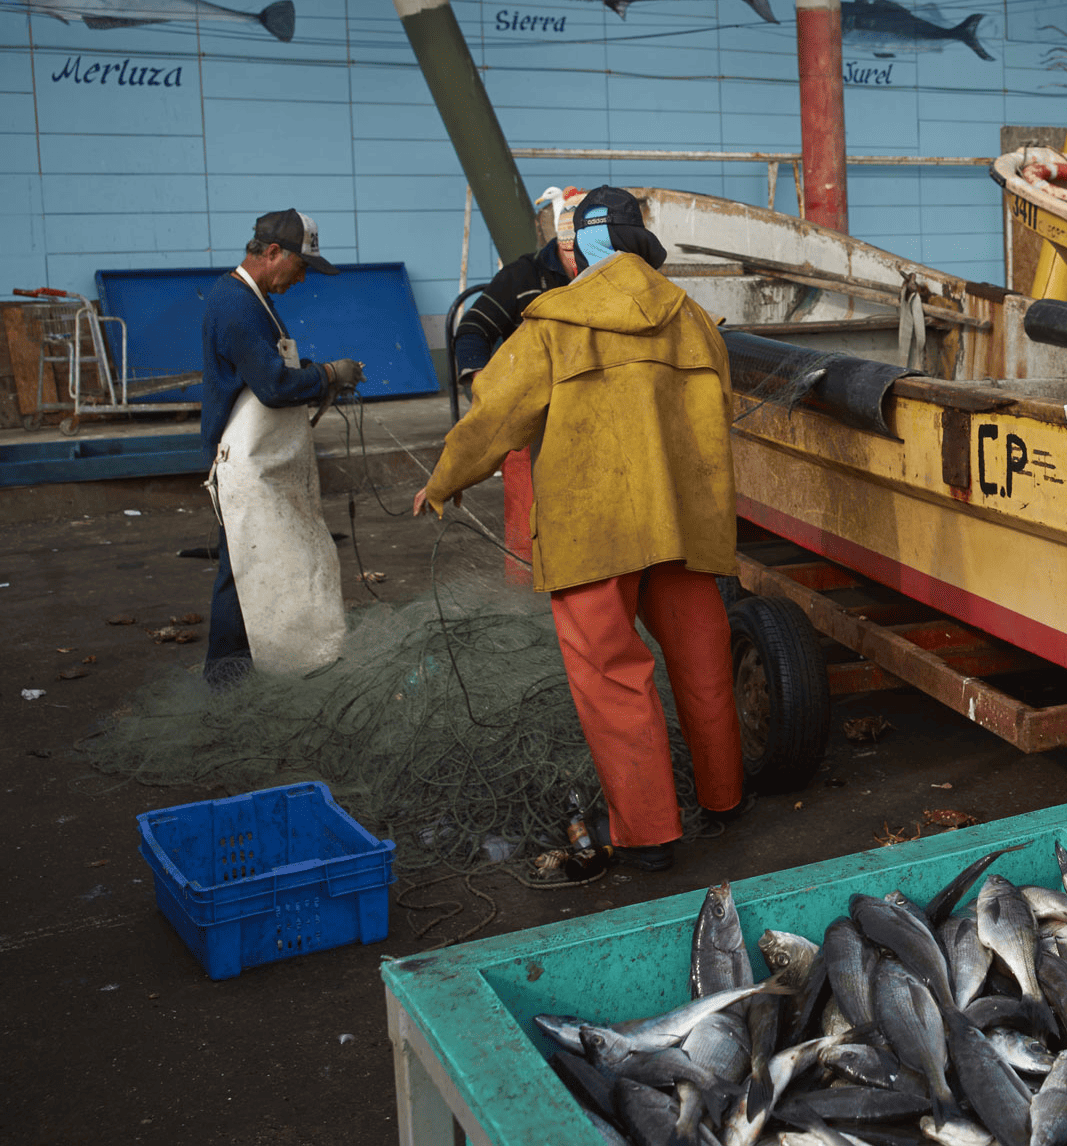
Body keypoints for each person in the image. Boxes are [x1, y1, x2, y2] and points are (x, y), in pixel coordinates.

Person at [413, 187, 743, 872]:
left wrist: (443, 481)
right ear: (642, 246)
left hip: (596, 532)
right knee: (703, 657)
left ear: (584, 248)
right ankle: (724, 800)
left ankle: (652, 837)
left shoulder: (554, 322)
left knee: (614, 677)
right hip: (685, 523)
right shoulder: (697, 320)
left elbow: (495, 420)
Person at [200, 209, 364, 686]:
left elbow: (270, 369)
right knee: (242, 569)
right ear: (273, 253)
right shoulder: (236, 305)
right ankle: (227, 677)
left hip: (265, 462)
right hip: (245, 466)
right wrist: (329, 375)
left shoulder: (254, 301)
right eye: (301, 265)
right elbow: (272, 386)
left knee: (261, 561)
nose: (302, 276)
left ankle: (269, 660)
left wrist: (315, 377)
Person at [451, 186, 667, 387]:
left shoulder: (621, 275)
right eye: (575, 253)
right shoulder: (521, 275)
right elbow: (474, 327)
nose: (587, 263)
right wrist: (485, 382)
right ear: (561, 244)